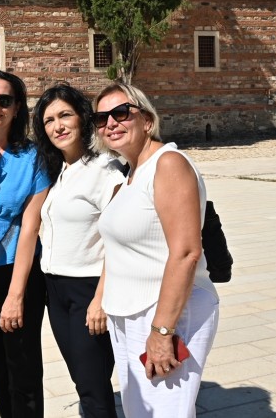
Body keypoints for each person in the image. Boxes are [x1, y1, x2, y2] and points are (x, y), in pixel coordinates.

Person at [92, 83, 219, 418]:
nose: (111, 123)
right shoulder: (132, 174)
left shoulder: (169, 163)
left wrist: (162, 331)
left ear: (147, 121)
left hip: (165, 312)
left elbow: (187, 252)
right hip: (131, 314)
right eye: (101, 118)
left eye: (121, 113)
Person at [31, 84, 125, 418]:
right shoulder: (58, 170)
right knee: (82, 379)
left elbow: (118, 240)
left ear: (82, 118)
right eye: (49, 120)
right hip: (56, 291)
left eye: (64, 115)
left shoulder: (106, 170)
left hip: (88, 289)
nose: (57, 126)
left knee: (92, 384)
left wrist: (100, 299)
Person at [0, 70, 51, 418]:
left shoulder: (33, 157)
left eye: (5, 100)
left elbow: (31, 227)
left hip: (18, 269)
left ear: (17, 108)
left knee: (24, 367)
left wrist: (16, 296)